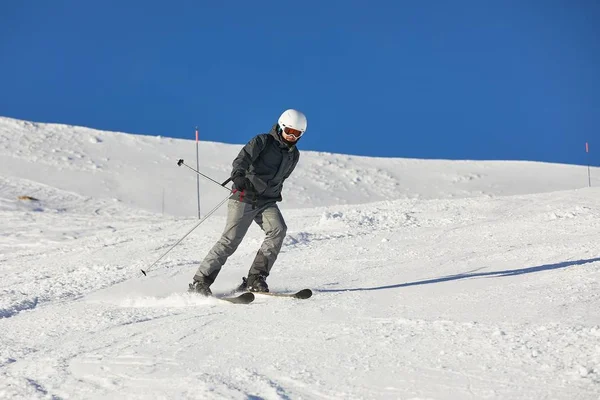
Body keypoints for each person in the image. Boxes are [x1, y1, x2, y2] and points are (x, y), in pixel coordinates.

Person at [189, 109, 307, 296]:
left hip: (266, 201)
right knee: (230, 240)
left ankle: (255, 279)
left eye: (297, 134)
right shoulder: (262, 141)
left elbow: (281, 178)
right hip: (244, 195)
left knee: (278, 230)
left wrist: (273, 193)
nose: (292, 137)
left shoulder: (294, 155)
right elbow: (242, 159)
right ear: (281, 126)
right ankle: (200, 282)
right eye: (289, 132)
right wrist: (239, 176)